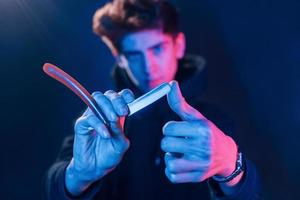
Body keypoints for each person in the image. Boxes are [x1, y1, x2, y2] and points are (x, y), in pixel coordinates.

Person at [44, 0, 261, 199]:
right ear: (119, 58)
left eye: (157, 49)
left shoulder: (214, 121)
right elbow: (54, 188)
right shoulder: (101, 124)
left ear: (179, 45)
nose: (148, 66)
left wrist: (232, 168)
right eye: (134, 55)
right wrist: (80, 174)